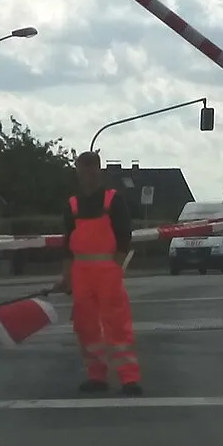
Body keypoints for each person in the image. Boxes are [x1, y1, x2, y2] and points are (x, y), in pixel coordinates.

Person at [54, 151, 142, 395]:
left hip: (106, 271)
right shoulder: (72, 205)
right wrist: (67, 276)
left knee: (117, 325)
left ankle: (129, 378)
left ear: (98, 171)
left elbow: (124, 238)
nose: (86, 175)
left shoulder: (113, 201)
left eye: (90, 169)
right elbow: (67, 245)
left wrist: (116, 268)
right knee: (86, 327)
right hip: (82, 272)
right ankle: (97, 376)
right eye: (82, 170)